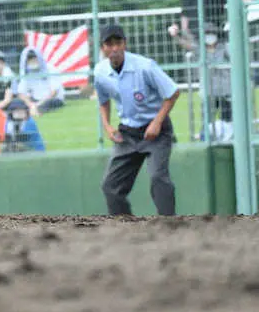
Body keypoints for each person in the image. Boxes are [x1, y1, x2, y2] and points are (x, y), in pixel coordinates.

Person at [95, 24, 180, 216]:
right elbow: (103, 100)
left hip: (155, 132)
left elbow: (173, 92)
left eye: (118, 42)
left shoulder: (144, 67)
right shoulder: (100, 72)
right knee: (110, 186)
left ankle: (170, 225)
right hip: (128, 133)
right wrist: (107, 126)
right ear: (102, 48)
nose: (114, 48)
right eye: (109, 44)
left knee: (158, 178)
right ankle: (124, 227)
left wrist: (157, 122)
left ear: (125, 44)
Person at [201, 23, 233, 143]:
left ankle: (227, 139)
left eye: (212, 33)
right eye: (207, 33)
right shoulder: (201, 50)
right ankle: (206, 140)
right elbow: (188, 45)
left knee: (228, 117)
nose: (210, 36)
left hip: (226, 89)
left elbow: (233, 58)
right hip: (209, 90)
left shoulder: (224, 47)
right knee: (207, 118)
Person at [16, 47, 65, 117]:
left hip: (51, 99)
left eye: (35, 59)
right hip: (34, 100)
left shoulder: (50, 69)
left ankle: (35, 111)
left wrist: (39, 104)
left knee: (49, 103)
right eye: (30, 60)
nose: (33, 62)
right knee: (17, 103)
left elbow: (54, 92)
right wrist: (31, 104)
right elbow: (21, 93)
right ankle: (33, 111)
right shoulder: (25, 72)